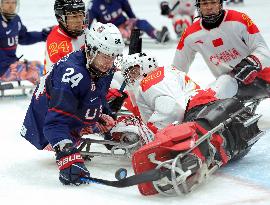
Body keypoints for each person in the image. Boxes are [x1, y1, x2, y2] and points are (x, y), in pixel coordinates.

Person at [118, 51, 265, 196]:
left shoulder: (149, 81)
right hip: (216, 110)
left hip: (200, 113)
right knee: (210, 138)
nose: (131, 78)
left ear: (144, 65)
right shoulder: (167, 71)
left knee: (186, 136)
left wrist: (153, 137)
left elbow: (172, 109)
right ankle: (210, 150)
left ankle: (191, 161)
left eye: (133, 71)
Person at [20, 22, 125, 186]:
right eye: (105, 56)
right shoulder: (72, 74)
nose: (109, 62)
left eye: (112, 56)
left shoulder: (100, 66)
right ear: (91, 50)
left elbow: (97, 90)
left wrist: (105, 110)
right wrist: (67, 156)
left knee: (113, 113)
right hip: (45, 130)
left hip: (71, 111)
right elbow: (53, 124)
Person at [172, 0, 270, 89]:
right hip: (229, 84)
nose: (209, 7)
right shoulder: (190, 34)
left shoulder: (240, 19)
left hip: (260, 74)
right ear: (198, 6)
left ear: (220, 4)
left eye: (213, 2)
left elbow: (263, 50)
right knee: (208, 101)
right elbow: (177, 70)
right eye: (205, 3)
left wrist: (252, 62)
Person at [0, 0, 52, 84]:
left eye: (13, 3)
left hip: (10, 64)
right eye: (7, 2)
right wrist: (9, 63)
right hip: (3, 68)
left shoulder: (16, 20)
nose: (11, 6)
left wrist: (44, 35)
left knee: (41, 68)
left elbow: (24, 37)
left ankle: (44, 92)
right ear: (1, 4)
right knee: (39, 71)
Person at [87, 0, 170, 43]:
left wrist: (134, 24)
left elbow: (129, 11)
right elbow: (88, 25)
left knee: (142, 22)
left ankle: (157, 34)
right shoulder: (93, 5)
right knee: (123, 33)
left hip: (124, 23)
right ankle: (127, 37)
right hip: (110, 30)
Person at [43, 0, 86, 74]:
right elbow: (61, 83)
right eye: (74, 16)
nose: (79, 21)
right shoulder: (59, 49)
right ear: (61, 19)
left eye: (81, 15)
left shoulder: (75, 28)